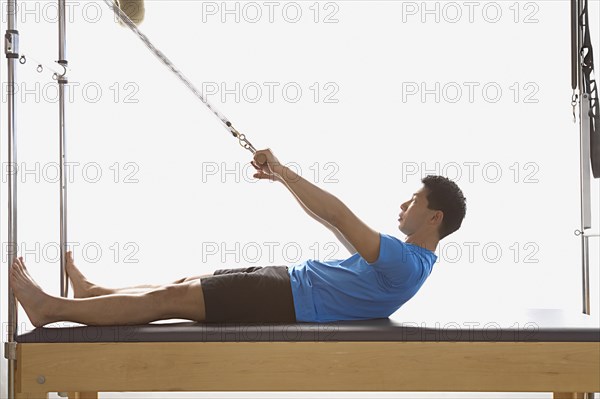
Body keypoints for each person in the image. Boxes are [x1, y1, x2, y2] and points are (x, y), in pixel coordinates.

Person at [10, 149, 467, 327]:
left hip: (283, 299)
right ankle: (93, 293)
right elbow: (328, 222)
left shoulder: (405, 263)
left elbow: (338, 213)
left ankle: (50, 309)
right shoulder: (407, 261)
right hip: (285, 283)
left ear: (435, 217)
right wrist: (282, 181)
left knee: (169, 299)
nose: (403, 206)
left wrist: (285, 168)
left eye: (414, 201)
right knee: (182, 282)